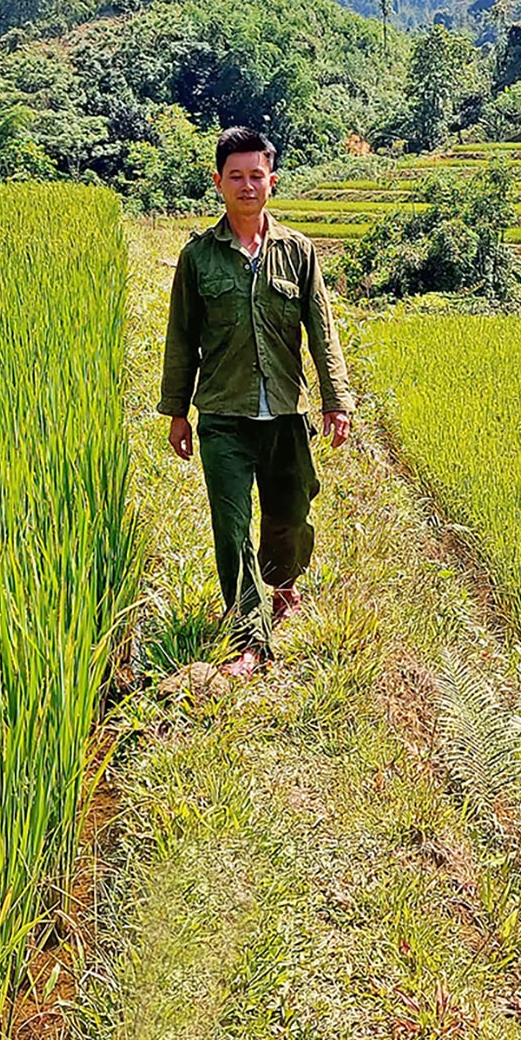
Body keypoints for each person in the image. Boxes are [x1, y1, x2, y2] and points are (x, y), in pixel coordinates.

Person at [158, 125, 355, 677]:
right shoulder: (198, 257)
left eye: (256, 175)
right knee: (231, 524)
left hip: (286, 414)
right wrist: (177, 410)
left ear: (272, 181)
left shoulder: (298, 252)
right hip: (223, 413)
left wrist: (336, 400)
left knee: (290, 516)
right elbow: (181, 336)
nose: (247, 185)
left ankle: (284, 584)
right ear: (218, 182)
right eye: (235, 176)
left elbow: (322, 331)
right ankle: (250, 637)